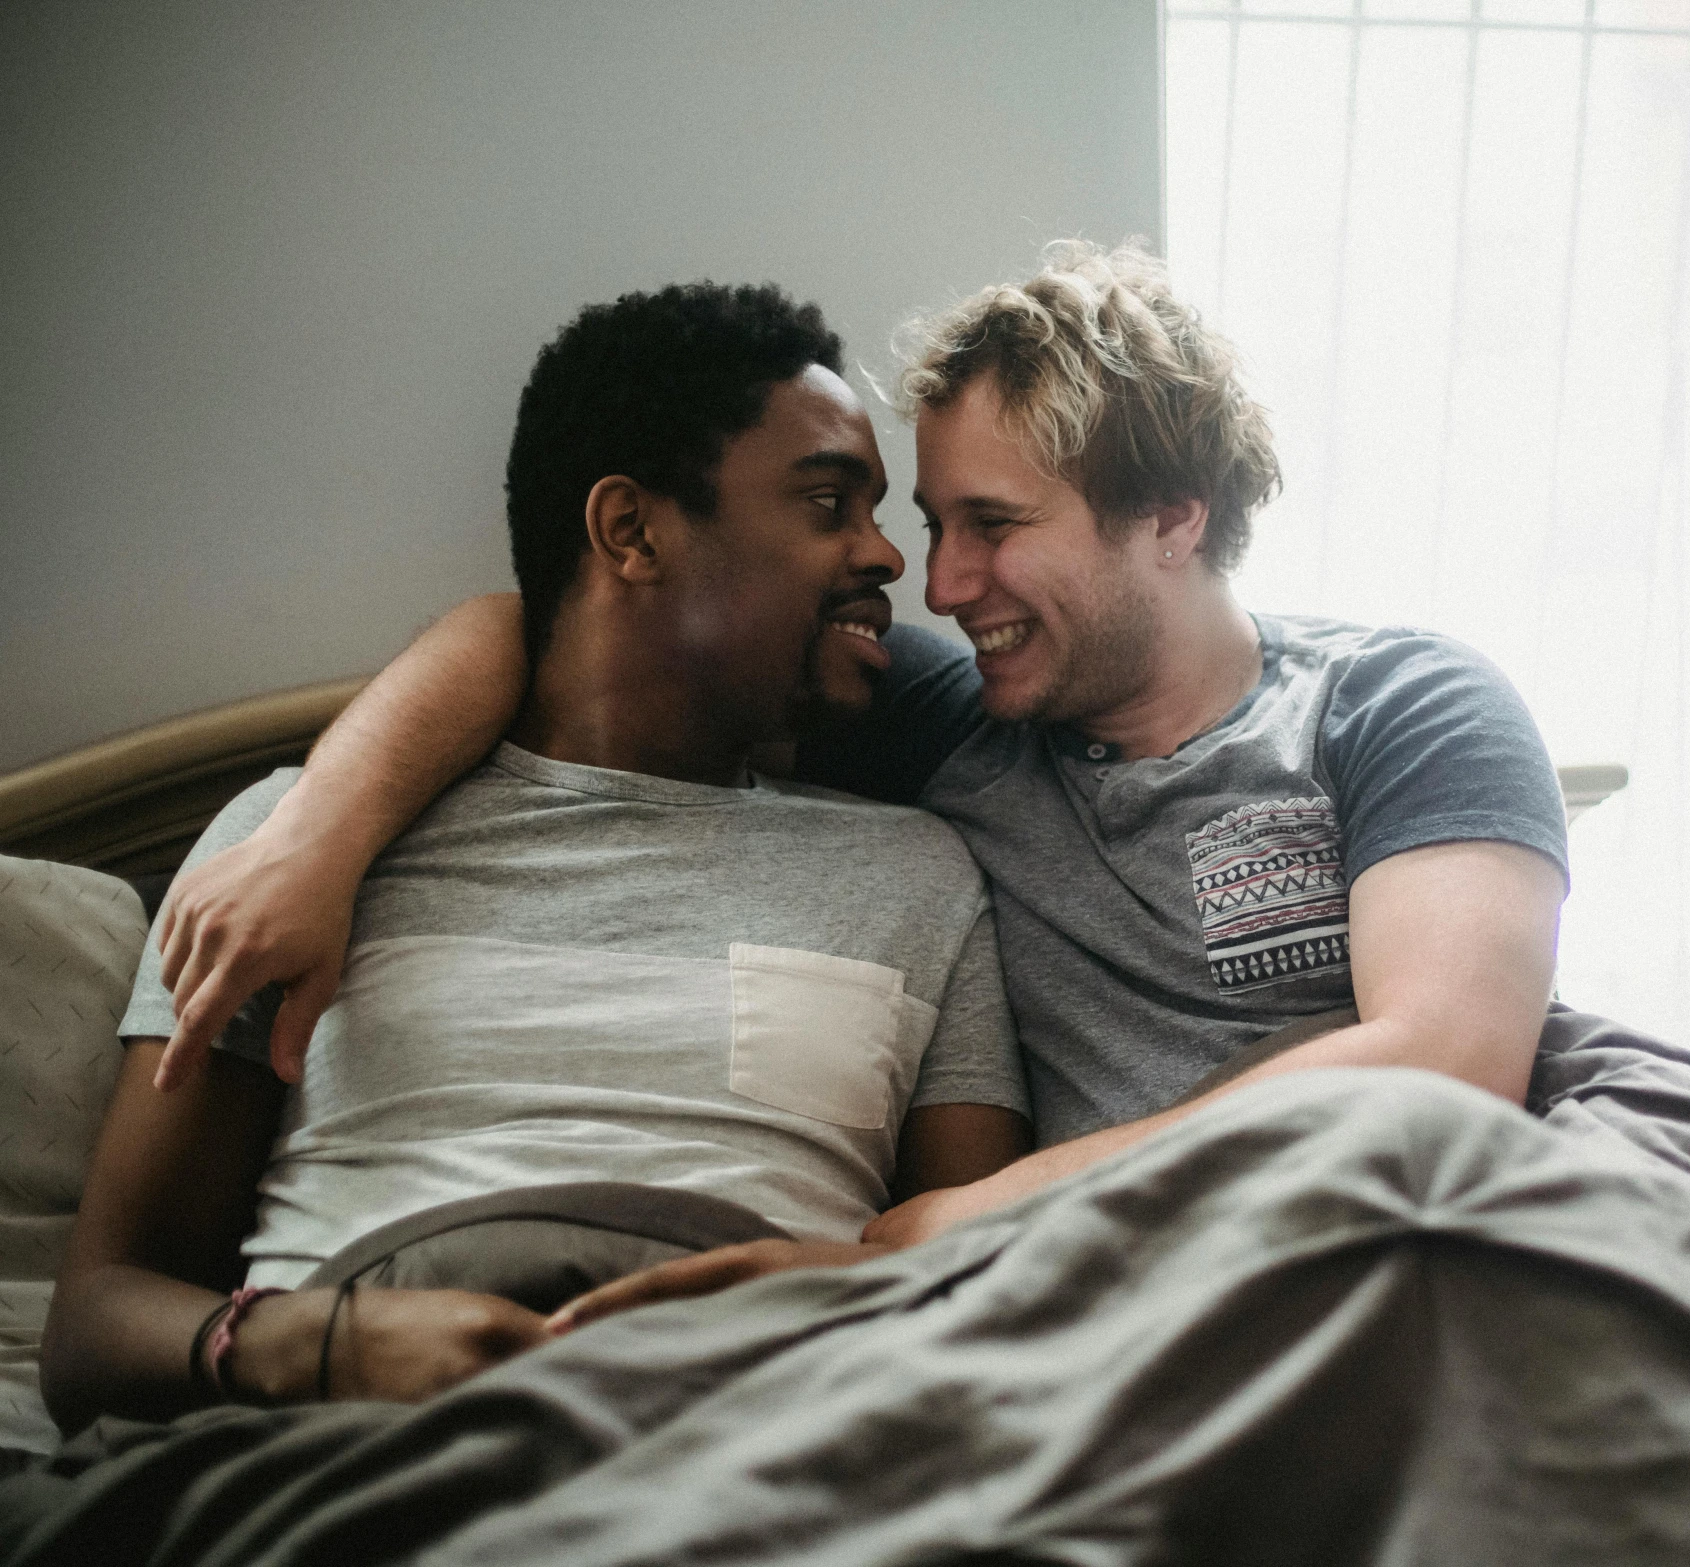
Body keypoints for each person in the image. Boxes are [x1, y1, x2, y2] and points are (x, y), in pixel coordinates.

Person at [146, 241, 1568, 1313]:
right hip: (1122, 1297)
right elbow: (551, 627)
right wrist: (317, 833)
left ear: (1172, 518)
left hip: (1392, 1227)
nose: (938, 582)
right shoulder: (961, 729)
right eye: (924, 522)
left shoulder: (1396, 702)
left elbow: (1447, 1059)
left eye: (991, 524)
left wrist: (963, 1213)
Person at [41, 284, 1029, 1435]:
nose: (887, 557)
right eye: (825, 503)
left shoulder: (921, 873)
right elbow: (92, 1330)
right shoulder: (292, 847)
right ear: (631, 531)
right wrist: (320, 1346)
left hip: (748, 1428)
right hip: (337, 1429)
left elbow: (984, 1288)